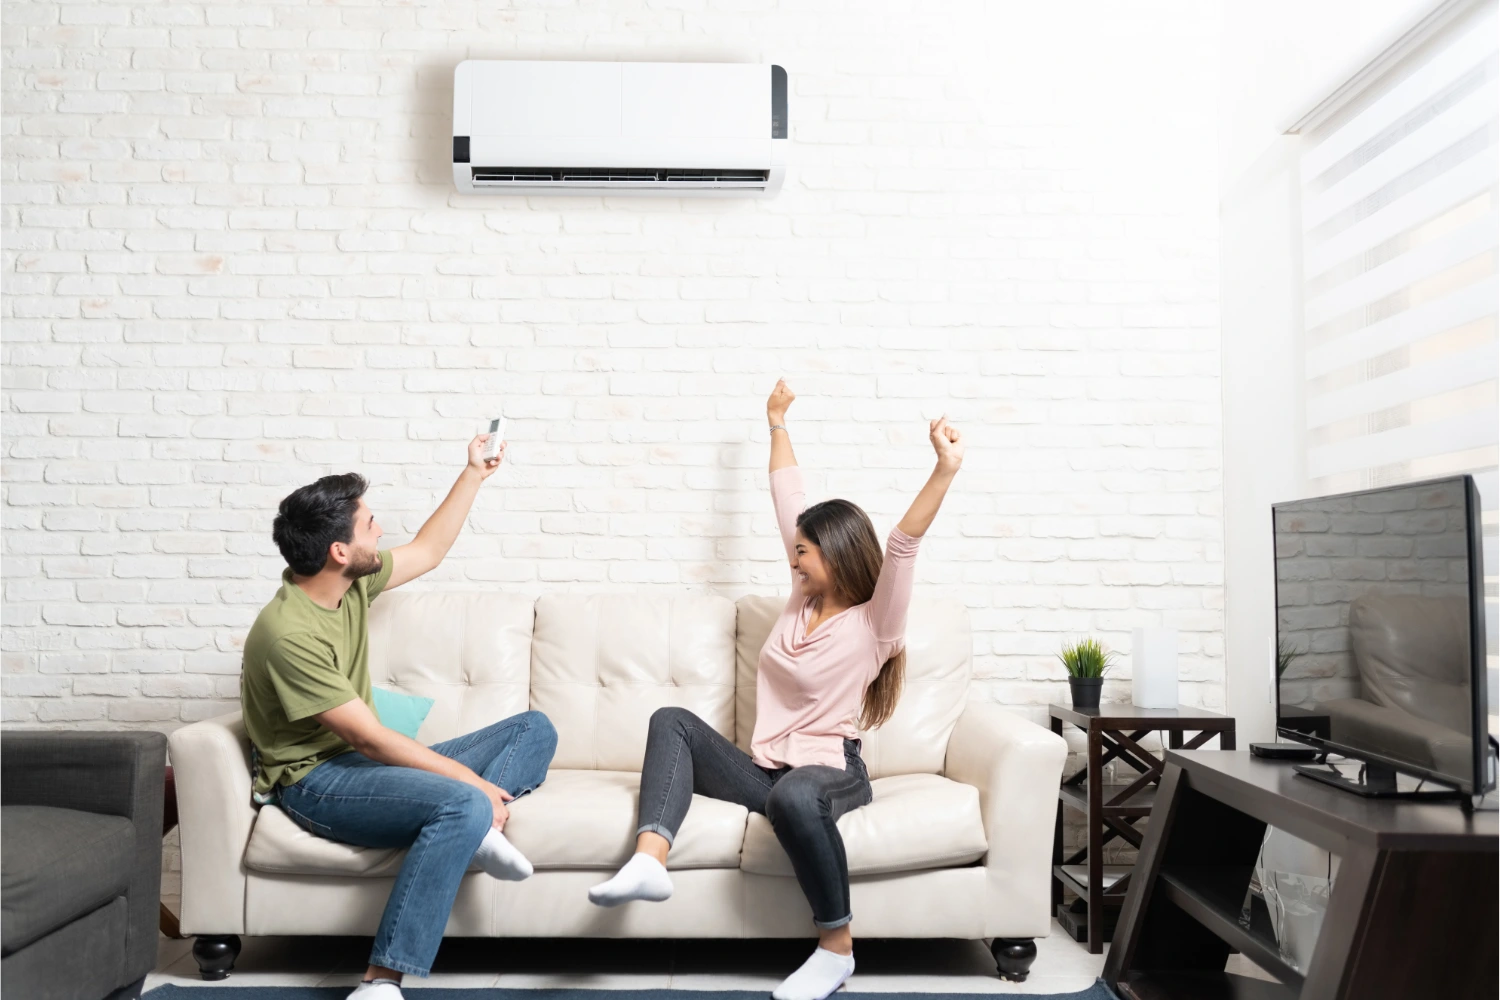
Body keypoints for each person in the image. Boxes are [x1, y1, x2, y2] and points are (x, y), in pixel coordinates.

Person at [587, 379, 965, 1000]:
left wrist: (943, 467)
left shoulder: (877, 622)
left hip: (828, 769)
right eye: (794, 552)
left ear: (837, 557)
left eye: (804, 553)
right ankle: (649, 860)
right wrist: (776, 423)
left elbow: (902, 544)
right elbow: (788, 496)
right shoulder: (801, 597)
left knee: (794, 797)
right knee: (671, 719)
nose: (793, 561)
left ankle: (835, 949)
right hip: (766, 769)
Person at [240, 432, 557, 1000]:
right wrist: (475, 786)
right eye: (369, 524)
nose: (379, 531)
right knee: (463, 799)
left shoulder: (350, 587)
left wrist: (474, 473)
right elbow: (370, 741)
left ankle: (469, 827)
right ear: (339, 551)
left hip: (356, 766)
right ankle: (381, 982)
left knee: (534, 729)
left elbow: (429, 550)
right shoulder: (288, 633)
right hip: (317, 782)